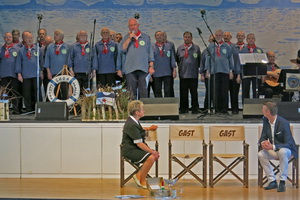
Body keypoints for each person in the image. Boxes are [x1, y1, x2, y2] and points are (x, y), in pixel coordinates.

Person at [258, 100, 298, 192]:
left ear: (268, 112)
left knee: (282, 151)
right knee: (261, 154)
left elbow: (289, 144)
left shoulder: (284, 123)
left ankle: (282, 181)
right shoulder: (265, 121)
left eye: (263, 110)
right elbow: (263, 137)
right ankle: (272, 181)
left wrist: (273, 147)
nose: (261, 111)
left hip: (288, 151)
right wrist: (264, 143)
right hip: (274, 150)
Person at [121, 100, 160, 189]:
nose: (144, 111)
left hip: (134, 148)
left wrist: (149, 129)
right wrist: (152, 151)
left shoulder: (133, 121)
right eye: (142, 110)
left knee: (154, 156)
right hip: (130, 150)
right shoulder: (132, 124)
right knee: (151, 157)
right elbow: (139, 143)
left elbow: (139, 129)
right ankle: (141, 178)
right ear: (137, 112)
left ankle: (139, 175)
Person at [121, 18, 154, 99]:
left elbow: (150, 53)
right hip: (130, 69)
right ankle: (133, 110)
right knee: (131, 92)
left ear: (138, 25)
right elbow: (122, 49)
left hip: (143, 68)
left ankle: (143, 110)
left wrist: (151, 66)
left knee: (143, 92)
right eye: (131, 26)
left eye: (134, 25)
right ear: (128, 27)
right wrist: (129, 38)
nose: (133, 27)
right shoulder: (126, 37)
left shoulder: (145, 37)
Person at [205, 30, 234, 114]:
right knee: (216, 91)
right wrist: (207, 70)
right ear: (214, 36)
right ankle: (217, 109)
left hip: (225, 71)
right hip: (214, 71)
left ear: (222, 36)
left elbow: (230, 58)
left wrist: (231, 71)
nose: (218, 37)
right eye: (216, 35)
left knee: (224, 91)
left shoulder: (227, 46)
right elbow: (208, 59)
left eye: (219, 35)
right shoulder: (211, 46)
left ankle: (224, 109)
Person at [15, 32, 42, 112]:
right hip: (26, 75)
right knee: (27, 93)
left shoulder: (37, 49)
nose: (30, 39)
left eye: (31, 38)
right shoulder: (21, 50)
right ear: (24, 39)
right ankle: (29, 108)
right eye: (28, 38)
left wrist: (42, 72)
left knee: (37, 92)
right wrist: (19, 74)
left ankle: (38, 108)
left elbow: (41, 61)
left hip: (36, 75)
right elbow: (18, 63)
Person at [176, 31, 201, 114]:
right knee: (183, 93)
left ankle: (195, 108)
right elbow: (177, 60)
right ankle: (183, 108)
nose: (187, 38)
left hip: (193, 75)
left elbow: (199, 60)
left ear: (191, 38)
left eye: (188, 37)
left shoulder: (196, 48)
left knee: (194, 93)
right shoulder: (180, 48)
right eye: (185, 37)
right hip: (183, 75)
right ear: (183, 38)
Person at [0, 32, 21, 114]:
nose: (8, 38)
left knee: (15, 93)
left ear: (12, 38)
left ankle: (16, 110)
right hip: (4, 75)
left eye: (9, 37)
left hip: (14, 75)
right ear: (4, 38)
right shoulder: (1, 49)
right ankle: (4, 111)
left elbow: (19, 63)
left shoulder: (18, 49)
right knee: (4, 94)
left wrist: (19, 73)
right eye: (6, 37)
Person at [44, 29, 69, 99]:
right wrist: (48, 72)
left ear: (61, 37)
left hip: (64, 73)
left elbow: (69, 60)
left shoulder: (67, 47)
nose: (54, 36)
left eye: (56, 34)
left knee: (64, 91)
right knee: (54, 92)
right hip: (53, 73)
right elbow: (47, 60)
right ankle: (55, 107)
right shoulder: (50, 47)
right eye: (54, 34)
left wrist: (70, 71)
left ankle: (64, 107)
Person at [151, 30, 176, 97]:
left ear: (163, 37)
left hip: (167, 72)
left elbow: (172, 59)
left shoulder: (169, 46)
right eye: (157, 35)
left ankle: (167, 106)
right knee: (157, 91)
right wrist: (150, 74)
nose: (159, 37)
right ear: (155, 37)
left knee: (168, 91)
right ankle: (159, 106)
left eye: (161, 35)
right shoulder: (151, 47)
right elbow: (150, 60)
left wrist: (174, 70)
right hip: (156, 73)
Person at [240, 33, 264, 101]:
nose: (251, 40)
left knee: (256, 91)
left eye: (252, 38)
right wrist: (239, 74)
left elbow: (263, 63)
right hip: (246, 74)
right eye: (249, 38)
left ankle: (255, 106)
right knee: (245, 91)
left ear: (255, 39)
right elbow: (240, 63)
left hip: (256, 74)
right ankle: (245, 107)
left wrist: (262, 75)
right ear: (247, 40)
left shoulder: (259, 50)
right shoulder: (243, 50)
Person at [200, 34, 214, 113]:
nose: (212, 42)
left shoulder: (217, 50)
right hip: (207, 74)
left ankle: (215, 107)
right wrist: (202, 74)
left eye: (213, 40)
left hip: (216, 74)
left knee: (216, 92)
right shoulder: (205, 51)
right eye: (211, 40)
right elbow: (202, 63)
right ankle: (207, 107)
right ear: (209, 41)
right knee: (208, 91)